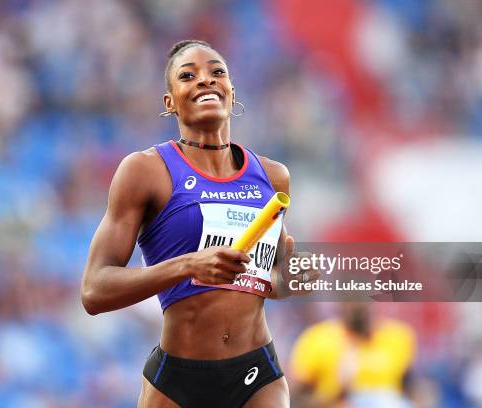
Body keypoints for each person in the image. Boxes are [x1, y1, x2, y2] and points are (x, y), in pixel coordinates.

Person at [81, 40, 309, 408]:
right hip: (179, 381)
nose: (206, 80)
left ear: (232, 92)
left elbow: (269, 284)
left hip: (257, 375)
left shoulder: (273, 177)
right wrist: (189, 264)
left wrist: (291, 277)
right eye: (188, 76)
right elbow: (94, 290)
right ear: (170, 101)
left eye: (217, 72)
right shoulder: (145, 171)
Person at [290, 303, 416, 408]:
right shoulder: (318, 338)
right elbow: (298, 399)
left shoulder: (396, 336)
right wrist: (337, 394)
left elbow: (411, 386)